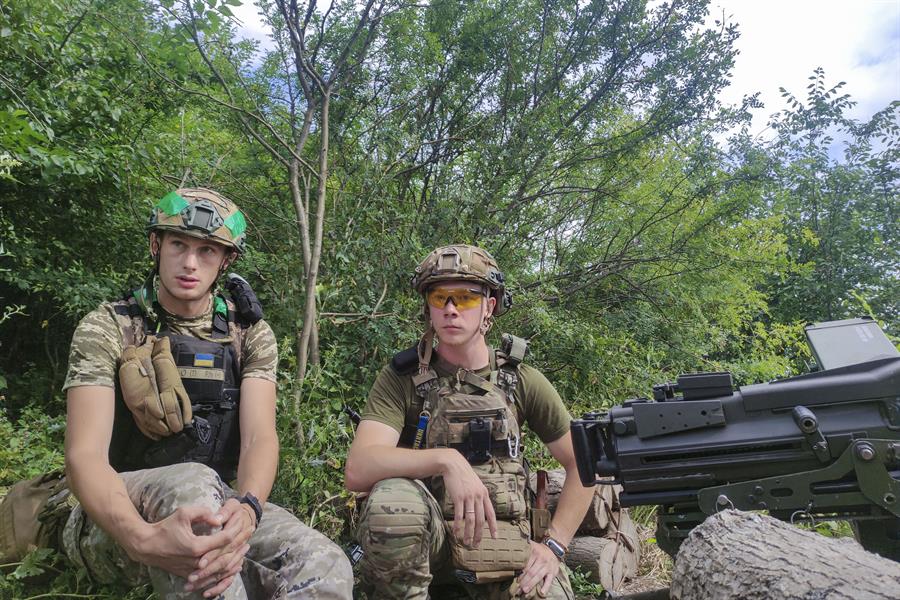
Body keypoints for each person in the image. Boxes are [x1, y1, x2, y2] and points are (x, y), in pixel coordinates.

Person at [60, 188, 352, 599]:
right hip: (112, 513)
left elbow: (258, 438)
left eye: (208, 251)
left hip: (219, 503)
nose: (190, 262)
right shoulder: (108, 327)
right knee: (192, 485)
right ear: (155, 245)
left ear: (226, 260)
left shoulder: (248, 334)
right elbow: (83, 457)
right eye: (179, 244)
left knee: (326, 565)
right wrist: (141, 538)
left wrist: (248, 508)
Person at [345, 244, 594, 599]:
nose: (450, 309)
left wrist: (554, 545)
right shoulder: (402, 378)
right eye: (439, 297)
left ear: (489, 306)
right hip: (431, 550)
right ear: (428, 307)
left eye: (464, 298)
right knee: (392, 503)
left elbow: (584, 464)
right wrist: (447, 460)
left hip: (506, 548)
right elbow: (359, 467)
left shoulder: (520, 380)